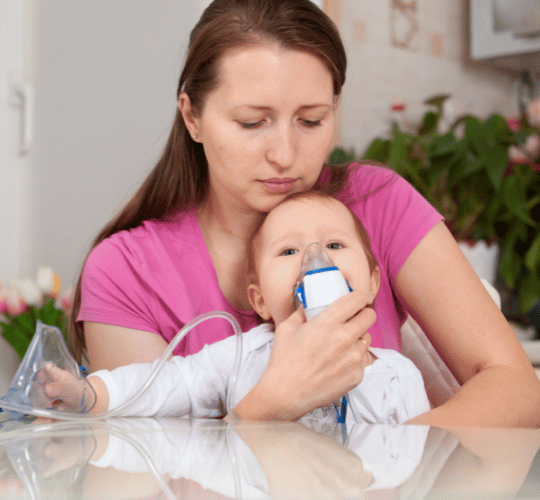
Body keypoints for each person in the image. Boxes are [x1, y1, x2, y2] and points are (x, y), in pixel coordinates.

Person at [70, 0, 540, 426]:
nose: (285, 154)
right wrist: (266, 410)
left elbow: (515, 389)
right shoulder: (125, 271)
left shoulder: (376, 203)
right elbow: (137, 470)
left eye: (311, 121)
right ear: (192, 116)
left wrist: (393, 461)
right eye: (253, 123)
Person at [41, 192, 430, 424]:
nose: (315, 259)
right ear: (259, 299)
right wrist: (88, 394)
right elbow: (163, 385)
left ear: (373, 284)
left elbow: (417, 466)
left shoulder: (399, 376)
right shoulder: (242, 356)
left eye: (335, 245)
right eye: (289, 251)